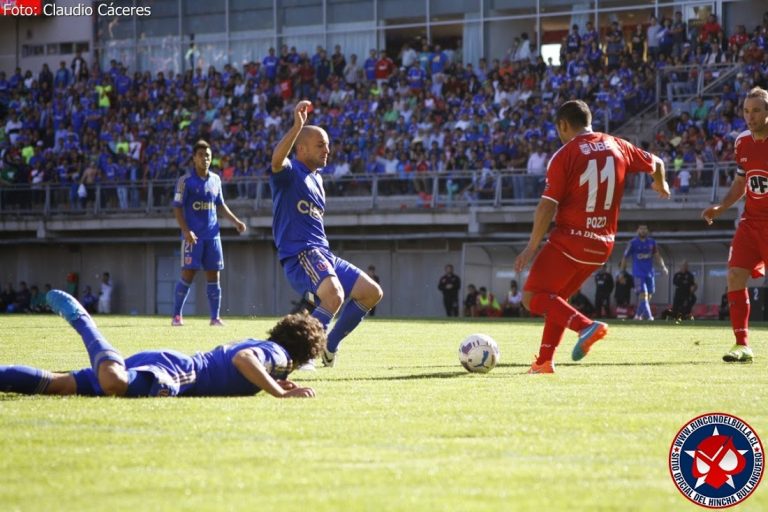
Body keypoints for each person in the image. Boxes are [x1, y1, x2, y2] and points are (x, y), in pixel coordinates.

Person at [514, 100, 670, 374]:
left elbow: (547, 205)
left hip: (570, 240)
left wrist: (530, 246)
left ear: (563, 125)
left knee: (533, 297)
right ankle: (544, 362)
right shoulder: (617, 145)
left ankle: (586, 326)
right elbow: (656, 162)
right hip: (602, 245)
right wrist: (661, 182)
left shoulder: (565, 154)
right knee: (556, 298)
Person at [0, 290, 321, 398]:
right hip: (182, 373)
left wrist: (278, 382)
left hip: (172, 362)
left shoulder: (271, 351)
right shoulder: (279, 356)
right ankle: (84, 322)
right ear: (301, 354)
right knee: (112, 381)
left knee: (60, 385)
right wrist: (279, 392)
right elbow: (243, 360)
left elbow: (248, 361)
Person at [270, 100, 383, 369]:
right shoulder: (289, 173)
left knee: (371, 292)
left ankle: (329, 346)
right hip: (301, 253)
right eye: (321, 145)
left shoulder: (317, 178)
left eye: (328, 145)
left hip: (322, 252)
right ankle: (302, 354)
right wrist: (297, 127)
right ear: (302, 147)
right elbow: (276, 161)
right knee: (334, 296)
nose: (327, 150)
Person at [702, 87, 768, 363]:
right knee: (734, 276)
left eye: (755, 111)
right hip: (751, 222)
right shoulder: (742, 141)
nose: (749, 116)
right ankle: (742, 345)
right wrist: (722, 206)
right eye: (745, 110)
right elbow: (741, 182)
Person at [171, 140, 247, 327]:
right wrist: (186, 231)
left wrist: (236, 221)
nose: (205, 159)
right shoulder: (185, 181)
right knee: (188, 274)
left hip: (213, 236)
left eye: (208, 156)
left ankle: (215, 318)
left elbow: (220, 204)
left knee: (214, 276)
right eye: (201, 155)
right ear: (194, 158)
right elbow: (177, 208)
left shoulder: (216, 179)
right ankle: (177, 316)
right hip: (193, 237)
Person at [620, 225, 668, 321]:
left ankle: (638, 316)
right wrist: (622, 273)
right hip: (638, 273)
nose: (643, 230)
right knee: (643, 294)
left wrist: (663, 267)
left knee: (649, 295)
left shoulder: (652, 242)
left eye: (645, 229)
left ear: (647, 231)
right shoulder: (633, 243)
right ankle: (649, 316)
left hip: (650, 273)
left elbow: (657, 255)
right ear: (637, 231)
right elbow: (625, 258)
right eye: (641, 229)